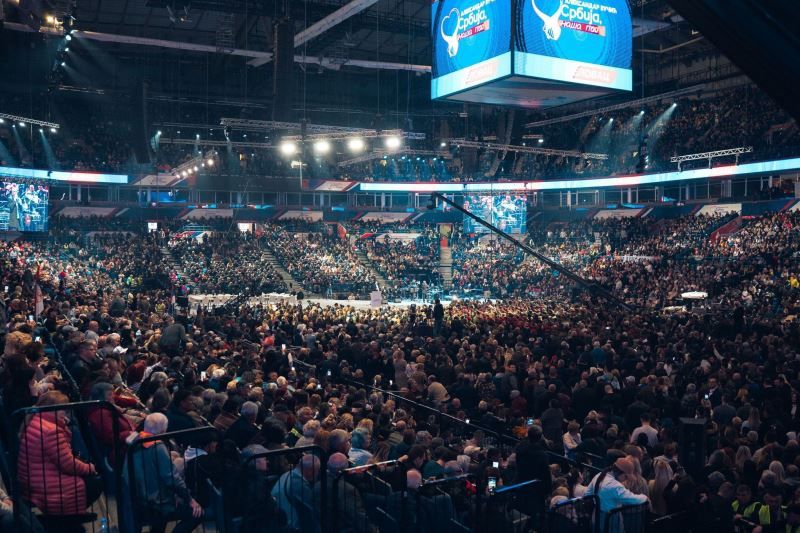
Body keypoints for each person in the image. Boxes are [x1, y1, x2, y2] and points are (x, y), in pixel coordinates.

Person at [17, 391, 101, 518]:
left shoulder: (37, 419)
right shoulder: (51, 431)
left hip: (34, 482)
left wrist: (62, 425)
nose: (66, 413)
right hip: (46, 486)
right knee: (95, 482)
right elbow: (68, 464)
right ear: (53, 409)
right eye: (63, 410)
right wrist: (90, 468)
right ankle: (69, 518)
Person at [125, 413, 204, 533]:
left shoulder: (134, 440)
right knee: (197, 513)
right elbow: (171, 478)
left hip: (135, 499)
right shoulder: (157, 446)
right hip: (155, 503)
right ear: (163, 430)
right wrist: (190, 499)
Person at [585, 456, 649, 533]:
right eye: (626, 477)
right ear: (620, 473)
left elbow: (587, 494)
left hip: (596, 515)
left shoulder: (599, 475)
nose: (626, 479)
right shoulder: (615, 486)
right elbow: (631, 499)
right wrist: (645, 498)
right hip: (611, 520)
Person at [271, 454, 321, 533]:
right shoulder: (298, 484)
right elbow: (313, 510)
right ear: (311, 470)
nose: (317, 474)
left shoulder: (287, 475)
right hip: (290, 526)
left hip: (280, 522)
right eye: (317, 470)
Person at [514, 425, 552, 527]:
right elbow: (546, 474)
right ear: (540, 437)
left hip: (521, 482)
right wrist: (548, 490)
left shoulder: (520, 448)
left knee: (523, 509)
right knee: (534, 513)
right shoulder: (541, 454)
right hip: (536, 488)